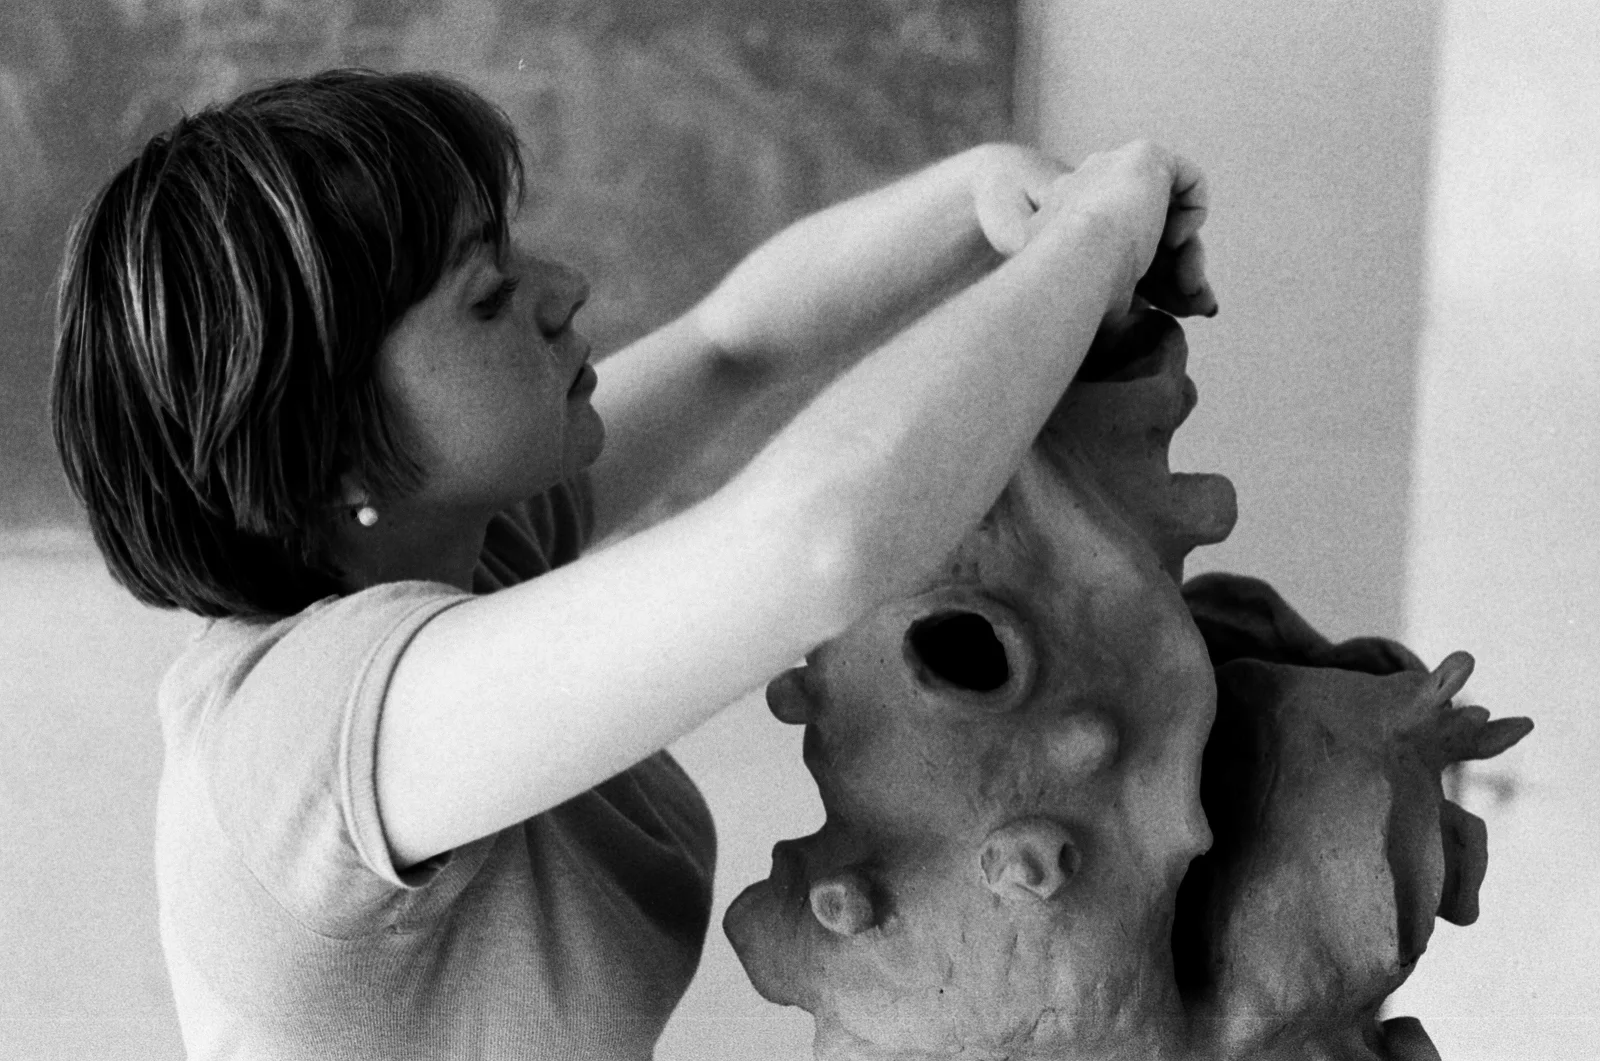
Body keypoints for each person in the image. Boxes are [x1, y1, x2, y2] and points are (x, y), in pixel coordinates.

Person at [50, 69, 1214, 1060]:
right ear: (331, 447)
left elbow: (731, 343)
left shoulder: (461, 547)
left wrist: (982, 192)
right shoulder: (318, 725)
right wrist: (1087, 244)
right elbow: (818, 542)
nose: (562, 289)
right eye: (488, 294)